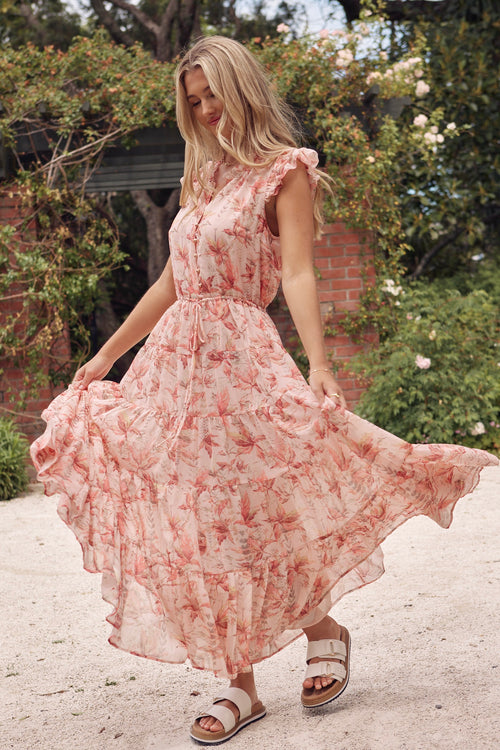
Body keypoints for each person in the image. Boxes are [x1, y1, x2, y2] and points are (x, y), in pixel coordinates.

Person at [31, 35, 498, 746]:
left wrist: (319, 363)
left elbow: (301, 274)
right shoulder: (200, 176)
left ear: (241, 87)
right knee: (201, 520)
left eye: (213, 94)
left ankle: (326, 629)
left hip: (243, 359)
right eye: (194, 102)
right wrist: (106, 356)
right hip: (175, 370)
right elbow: (169, 283)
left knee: (260, 507)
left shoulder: (287, 172)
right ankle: (239, 686)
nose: (206, 110)